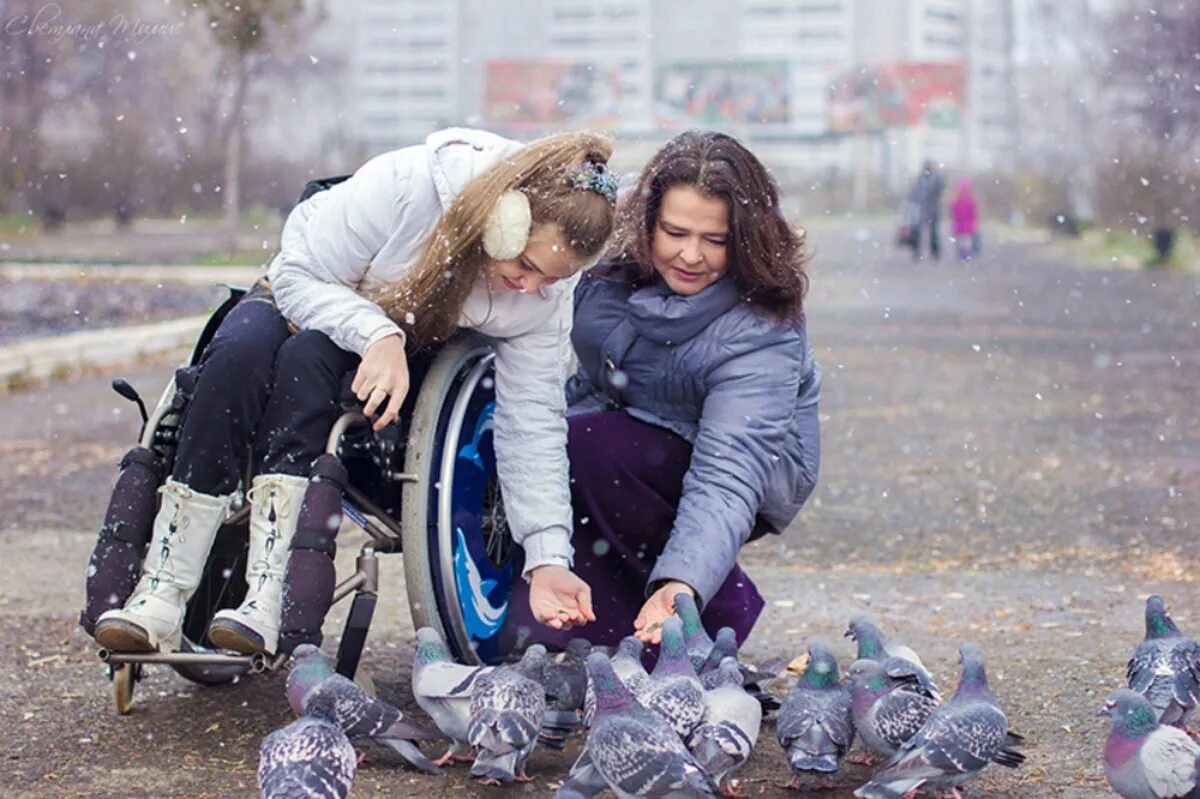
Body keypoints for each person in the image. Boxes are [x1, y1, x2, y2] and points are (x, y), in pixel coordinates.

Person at [83, 128, 617, 656]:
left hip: (394, 342)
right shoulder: (405, 187)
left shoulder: (542, 297)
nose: (529, 287)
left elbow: (532, 423)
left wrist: (548, 557)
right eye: (524, 265)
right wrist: (376, 333)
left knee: (305, 364)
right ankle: (162, 591)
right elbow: (296, 276)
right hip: (310, 289)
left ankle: (267, 599)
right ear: (502, 220)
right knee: (236, 356)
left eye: (549, 279)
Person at [508, 130, 821, 648]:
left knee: (589, 449)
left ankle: (710, 613)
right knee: (527, 440)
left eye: (715, 240)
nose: (691, 255)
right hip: (626, 423)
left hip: (745, 472)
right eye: (675, 232)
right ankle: (568, 617)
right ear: (646, 223)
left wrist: (685, 582)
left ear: (744, 241)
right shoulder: (610, 258)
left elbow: (729, 474)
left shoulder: (762, 332)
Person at [907, 159, 945, 261]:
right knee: (918, 232)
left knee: (934, 233)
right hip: (922, 209)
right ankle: (917, 253)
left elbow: (940, 191)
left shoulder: (936, 178)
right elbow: (915, 193)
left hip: (932, 210)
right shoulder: (921, 178)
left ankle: (935, 253)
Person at [949, 177, 981, 261]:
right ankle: (966, 255)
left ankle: (961, 255)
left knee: (961, 241)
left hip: (960, 224)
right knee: (966, 241)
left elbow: (953, 212)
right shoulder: (971, 200)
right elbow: (974, 213)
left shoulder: (957, 200)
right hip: (967, 225)